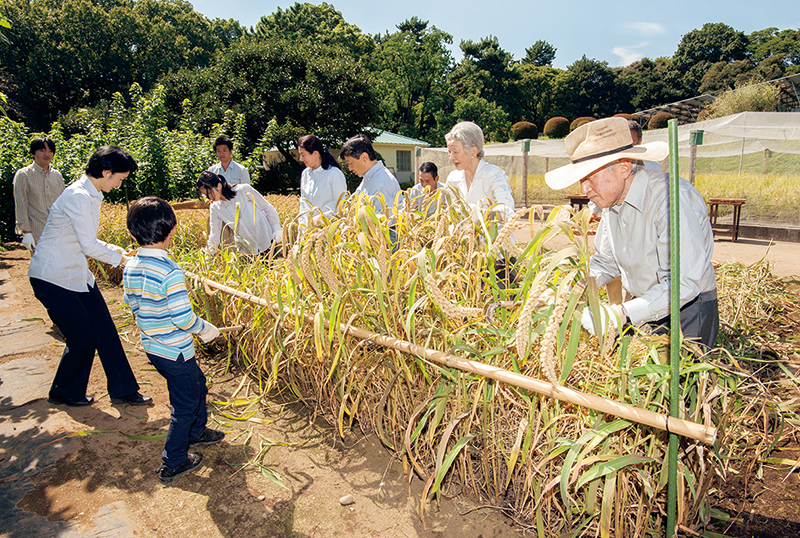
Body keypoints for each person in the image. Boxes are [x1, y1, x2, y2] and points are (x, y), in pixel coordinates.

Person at [544, 117, 719, 349]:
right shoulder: (612, 202)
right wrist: (569, 287)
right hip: (644, 304)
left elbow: (685, 281)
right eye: (581, 180)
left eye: (590, 177)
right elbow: (607, 263)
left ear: (624, 168)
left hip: (687, 309)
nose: (584, 189)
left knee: (682, 381)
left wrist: (619, 314)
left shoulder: (671, 200)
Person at [28, 146, 151, 407]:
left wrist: (118, 251)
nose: (119, 184)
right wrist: (124, 259)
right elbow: (88, 245)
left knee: (105, 331)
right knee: (82, 337)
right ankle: (64, 392)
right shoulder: (78, 196)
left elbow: (88, 240)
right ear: (106, 172)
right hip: (52, 277)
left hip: (75, 275)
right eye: (119, 178)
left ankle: (123, 389)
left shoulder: (92, 193)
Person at [123, 196, 224, 484]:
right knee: (185, 403)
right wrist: (206, 329)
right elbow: (183, 318)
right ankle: (175, 459)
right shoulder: (170, 272)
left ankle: (198, 431)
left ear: (132, 234)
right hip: (176, 351)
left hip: (154, 347)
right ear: (173, 230)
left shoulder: (131, 266)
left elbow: (131, 301)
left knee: (196, 386)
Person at [444, 121, 515, 224]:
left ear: (473, 152)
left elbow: (507, 211)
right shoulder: (452, 178)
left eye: (455, 151)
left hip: (493, 239)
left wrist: (480, 214)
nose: (451, 157)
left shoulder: (494, 175)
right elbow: (451, 213)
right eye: (449, 152)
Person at [196, 171, 281, 256]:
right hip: (246, 249)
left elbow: (267, 207)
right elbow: (215, 234)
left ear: (219, 185)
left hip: (266, 241)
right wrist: (209, 254)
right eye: (206, 195)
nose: (209, 197)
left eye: (210, 192)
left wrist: (276, 229)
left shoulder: (243, 190)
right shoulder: (215, 208)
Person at [13, 137, 65, 251]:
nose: (47, 154)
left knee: (60, 266)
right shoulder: (23, 175)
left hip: (58, 231)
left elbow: (63, 204)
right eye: (42, 150)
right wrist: (26, 233)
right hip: (37, 232)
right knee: (43, 267)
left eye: (50, 151)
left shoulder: (57, 176)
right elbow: (21, 204)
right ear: (33, 153)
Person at [339, 134, 401, 217]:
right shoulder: (368, 178)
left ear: (364, 157)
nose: (350, 168)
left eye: (350, 163)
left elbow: (383, 221)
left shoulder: (383, 182)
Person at [297, 134, 347, 233]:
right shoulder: (305, 174)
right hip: (308, 233)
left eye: (303, 155)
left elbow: (342, 208)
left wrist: (319, 220)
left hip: (330, 233)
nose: (301, 159)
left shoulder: (334, 174)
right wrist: (302, 228)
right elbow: (303, 205)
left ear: (315, 153)